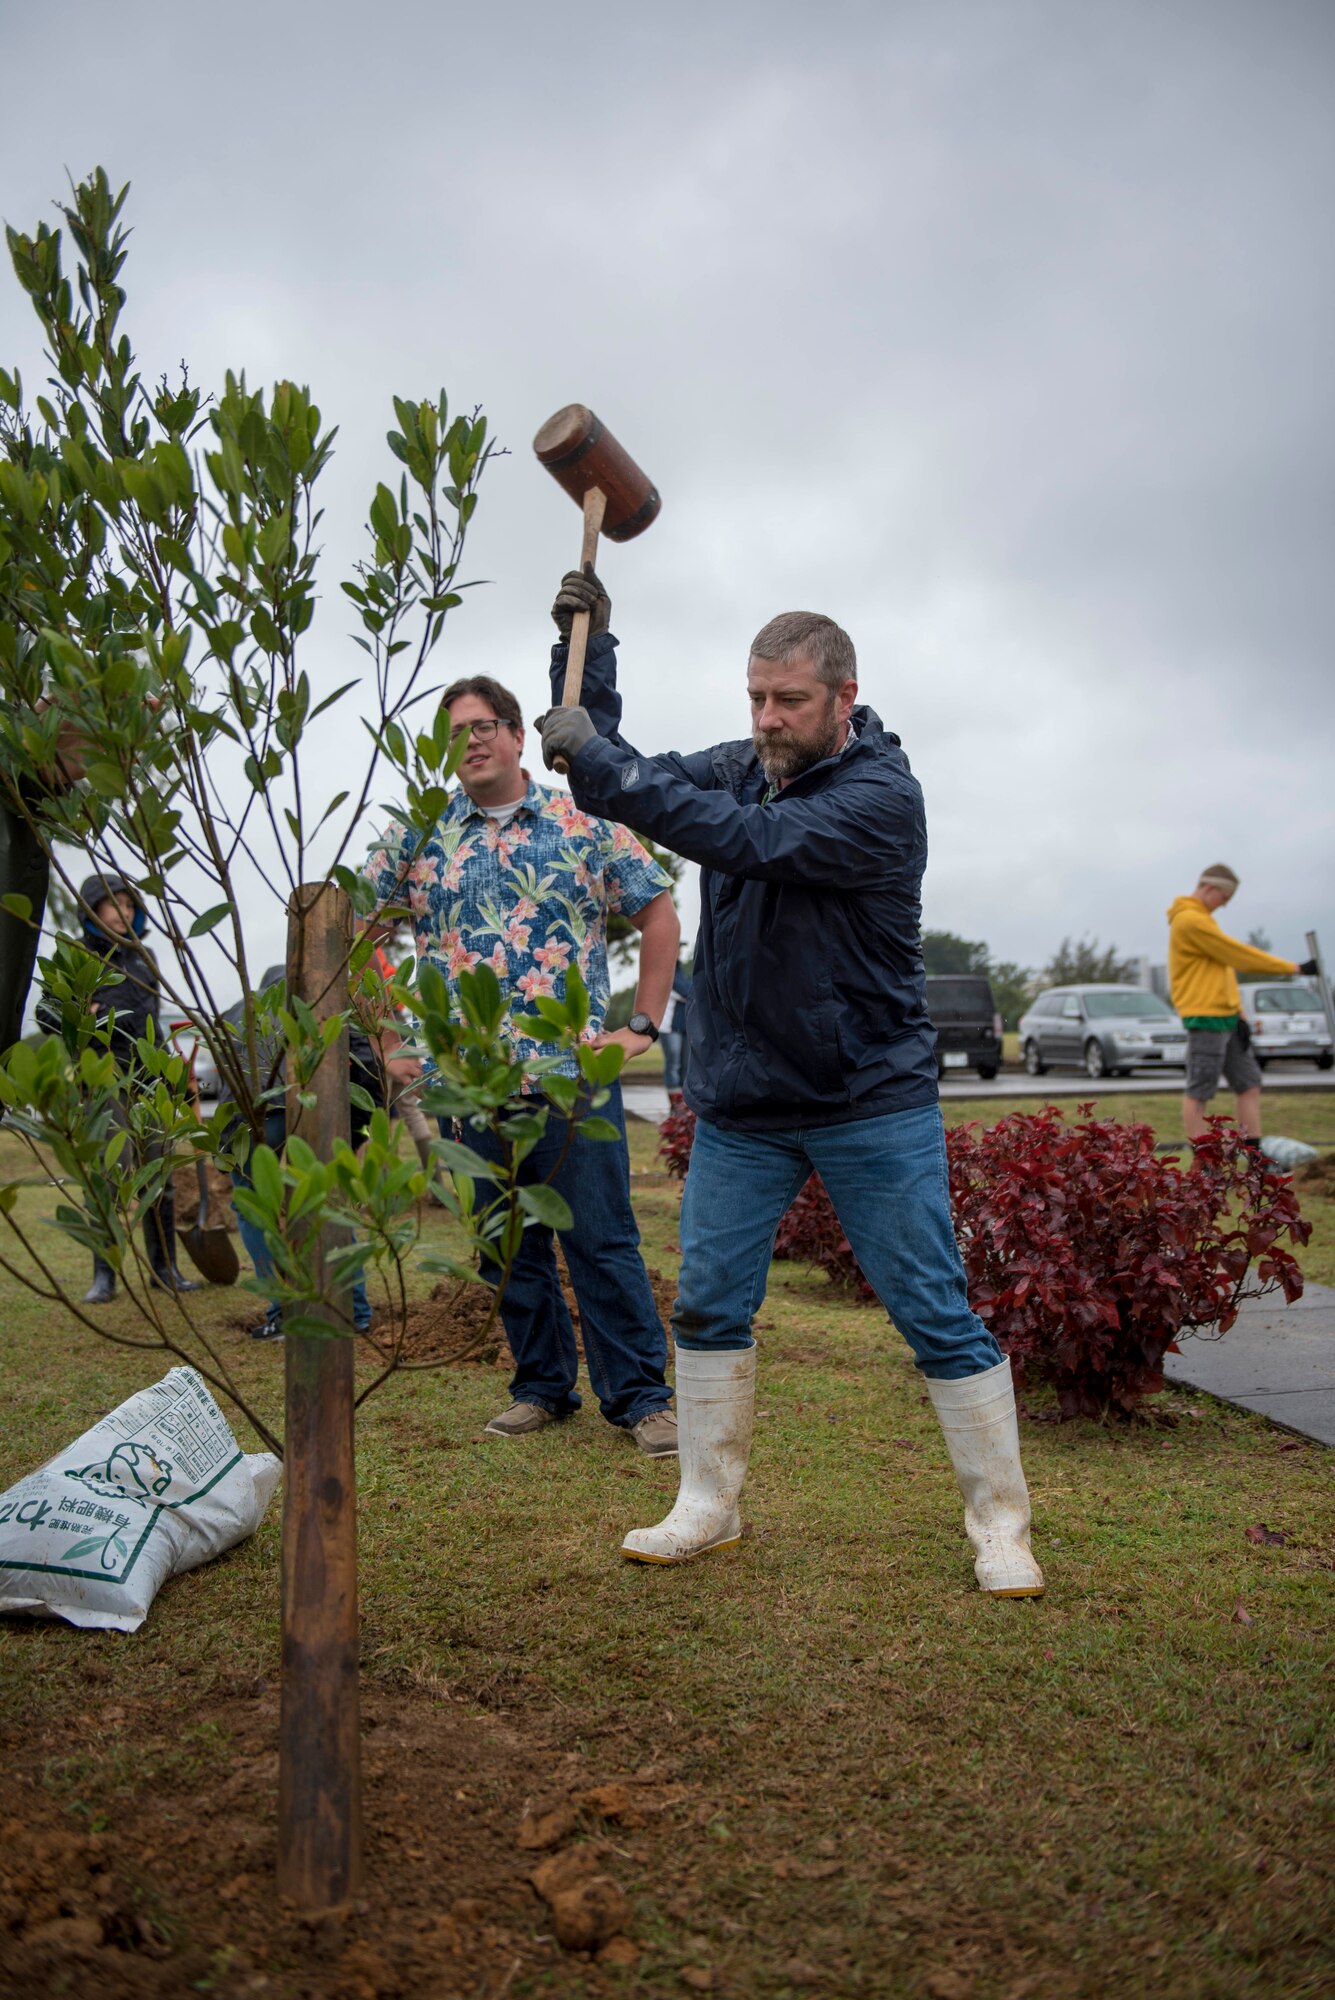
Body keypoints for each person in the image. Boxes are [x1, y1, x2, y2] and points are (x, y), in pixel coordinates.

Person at [537, 571, 1043, 1594]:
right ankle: (707, 1504)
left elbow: (744, 842)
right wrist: (586, 658)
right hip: (745, 1102)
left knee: (934, 1310)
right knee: (712, 1301)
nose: (767, 718)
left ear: (843, 698)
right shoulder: (742, 766)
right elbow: (610, 771)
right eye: (756, 697)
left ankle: (1000, 1523)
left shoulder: (879, 799)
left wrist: (600, 759)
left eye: (790, 701)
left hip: (869, 1096)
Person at [361, 671, 682, 1455]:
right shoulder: (418, 837)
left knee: (601, 1239)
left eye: (482, 726)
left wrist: (639, 1025)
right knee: (506, 1245)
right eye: (454, 732)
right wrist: (392, 1040)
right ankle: (541, 1387)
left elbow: (658, 910)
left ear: (514, 733)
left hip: (570, 1076)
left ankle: (641, 1398)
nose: (469, 742)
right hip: (465, 1086)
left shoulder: (584, 822)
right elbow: (358, 931)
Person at [36, 873, 200, 1303]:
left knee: (159, 1177)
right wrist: (80, 1013)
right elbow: (45, 1013)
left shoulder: (144, 959)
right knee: (109, 1177)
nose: (123, 912)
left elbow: (151, 1025)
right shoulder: (76, 956)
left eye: (129, 905)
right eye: (114, 904)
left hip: (149, 1081)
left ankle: (165, 1269)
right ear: (92, 909)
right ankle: (104, 1275)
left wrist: (174, 1078)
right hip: (106, 1078)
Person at [220, 966, 381, 1341]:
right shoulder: (323, 1004)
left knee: (253, 1208)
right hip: (307, 1112)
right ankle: (355, 1311)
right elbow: (366, 1068)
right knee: (327, 1202)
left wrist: (226, 1145)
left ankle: (281, 1314)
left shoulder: (237, 1010)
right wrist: (357, 1134)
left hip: (248, 1120)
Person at [1167, 866, 1316, 1152]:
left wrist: (1240, 1014)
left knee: (1249, 1083)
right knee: (1200, 1091)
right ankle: (1204, 1164)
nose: (1224, 904)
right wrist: (1295, 968)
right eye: (1224, 897)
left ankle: (1254, 1156)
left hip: (1229, 1017)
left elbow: (1222, 971)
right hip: (1206, 1017)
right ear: (1210, 889)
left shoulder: (1205, 921)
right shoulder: (1189, 921)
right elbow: (1238, 955)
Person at [659, 963, 692, 1095]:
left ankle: (684, 1100)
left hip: (684, 1026)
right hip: (669, 1027)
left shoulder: (681, 973)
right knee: (673, 1063)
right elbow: (688, 991)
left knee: (686, 1064)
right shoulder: (668, 973)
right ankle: (675, 1100)